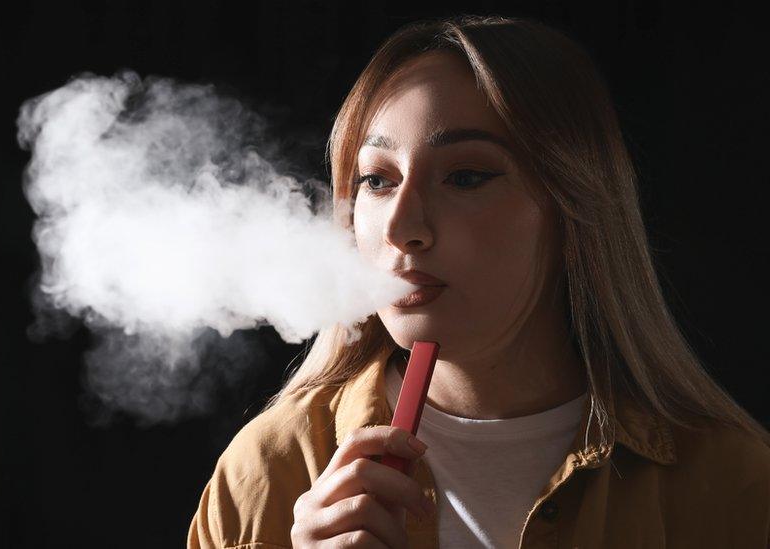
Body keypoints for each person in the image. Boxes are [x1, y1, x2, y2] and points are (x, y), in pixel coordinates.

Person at [188, 15, 770, 549]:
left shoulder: (729, 486)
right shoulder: (271, 469)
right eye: (377, 180)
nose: (403, 228)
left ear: (573, 211)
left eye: (465, 177)